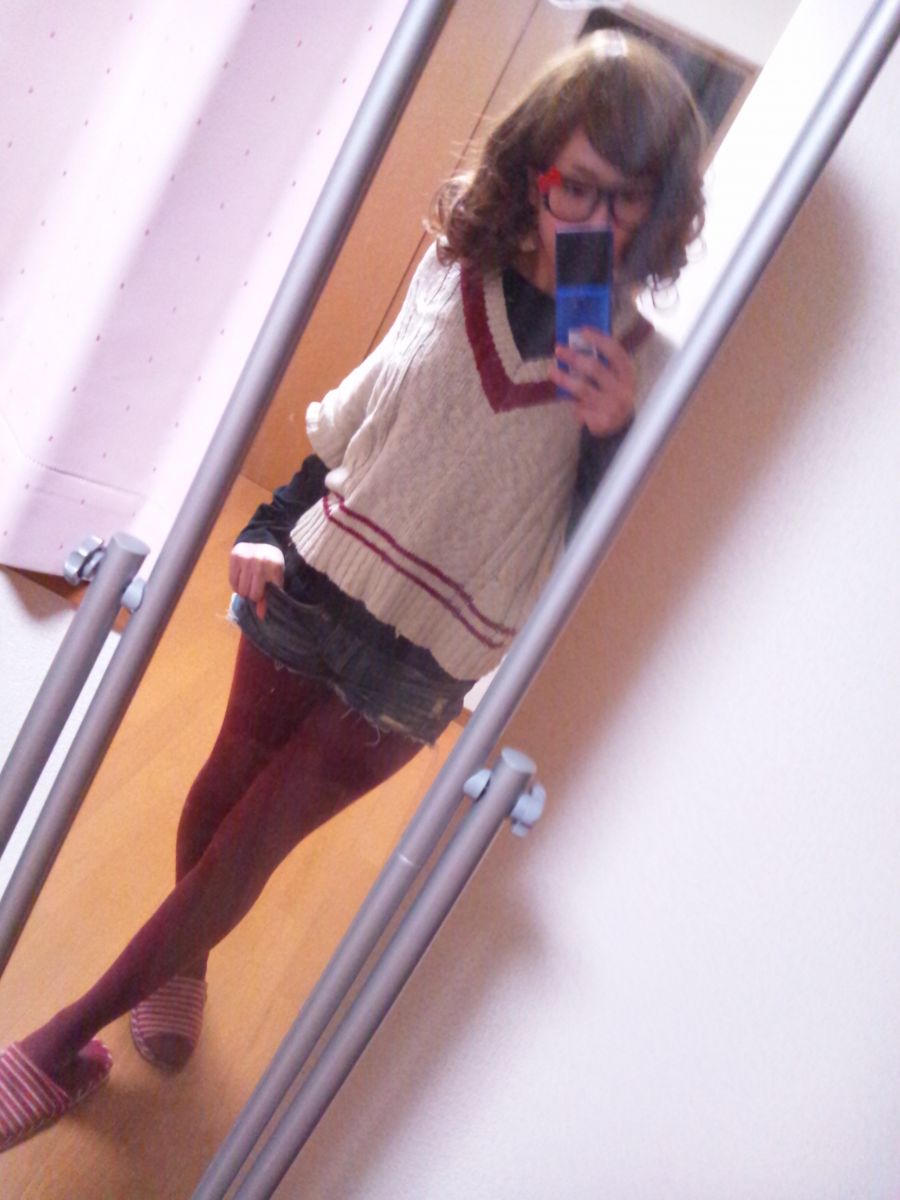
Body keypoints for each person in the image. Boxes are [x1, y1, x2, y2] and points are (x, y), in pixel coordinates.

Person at [0, 29, 705, 1150]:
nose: (599, 220)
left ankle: (53, 1043)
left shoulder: (643, 364)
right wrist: (266, 527)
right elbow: (359, 424)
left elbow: (589, 552)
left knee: (253, 844)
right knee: (219, 792)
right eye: (579, 184)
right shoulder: (453, 270)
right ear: (536, 168)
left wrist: (613, 434)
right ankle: (179, 973)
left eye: (630, 199)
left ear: (662, 211)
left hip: (423, 660)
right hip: (315, 580)